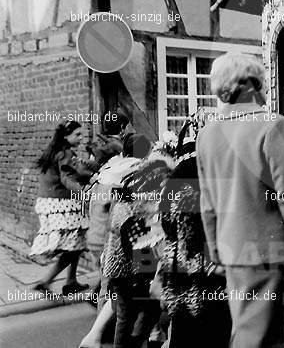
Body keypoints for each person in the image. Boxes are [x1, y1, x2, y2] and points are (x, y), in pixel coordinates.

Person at [196, 53, 284, 348]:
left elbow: (208, 202)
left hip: (233, 252)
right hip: (267, 253)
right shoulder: (271, 126)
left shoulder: (207, 135)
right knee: (268, 339)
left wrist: (216, 251)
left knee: (245, 330)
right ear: (254, 84)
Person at [157, 117, 231, 348]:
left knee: (184, 330)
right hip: (207, 271)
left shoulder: (171, 189)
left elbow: (168, 230)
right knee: (214, 329)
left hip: (178, 271)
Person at [102, 134, 163, 348]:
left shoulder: (127, 201)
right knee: (127, 314)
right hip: (126, 268)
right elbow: (132, 240)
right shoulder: (124, 209)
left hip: (131, 265)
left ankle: (138, 340)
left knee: (142, 310)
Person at [30, 121, 94, 296]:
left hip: (48, 203)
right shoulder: (65, 154)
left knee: (76, 243)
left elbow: (75, 170)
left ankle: (71, 281)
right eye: (77, 135)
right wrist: (84, 193)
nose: (81, 138)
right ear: (66, 136)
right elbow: (67, 179)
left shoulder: (54, 152)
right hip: (61, 204)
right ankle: (46, 280)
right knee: (71, 245)